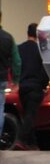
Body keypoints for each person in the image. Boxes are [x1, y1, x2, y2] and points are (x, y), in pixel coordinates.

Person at [17, 23, 49, 150]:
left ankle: (33, 144)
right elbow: (45, 70)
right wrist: (43, 85)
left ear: (27, 33)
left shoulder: (19, 48)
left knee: (28, 114)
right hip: (35, 87)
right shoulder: (40, 51)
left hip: (22, 87)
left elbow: (16, 65)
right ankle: (20, 139)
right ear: (37, 35)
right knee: (31, 115)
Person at [0, 11, 22, 142]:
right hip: (1, 79)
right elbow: (17, 61)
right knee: (0, 108)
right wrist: (15, 79)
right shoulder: (8, 38)